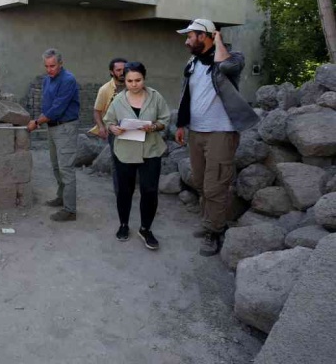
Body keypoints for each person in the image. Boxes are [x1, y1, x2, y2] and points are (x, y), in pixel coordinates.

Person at [174, 19, 259, 256]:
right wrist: (181, 124)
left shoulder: (233, 57)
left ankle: (215, 231)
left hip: (221, 132)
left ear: (205, 36)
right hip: (196, 131)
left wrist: (219, 40)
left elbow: (227, 68)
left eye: (191, 36)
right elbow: (186, 93)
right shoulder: (192, 62)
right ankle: (210, 222)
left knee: (216, 185)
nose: (186, 40)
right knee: (201, 182)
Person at [104, 62, 170, 250]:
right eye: (129, 80)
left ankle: (145, 228)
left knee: (149, 190)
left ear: (144, 78)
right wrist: (112, 128)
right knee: (125, 191)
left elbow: (165, 119)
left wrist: (154, 126)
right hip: (125, 151)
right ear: (124, 80)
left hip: (151, 150)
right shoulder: (118, 100)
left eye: (138, 80)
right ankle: (124, 224)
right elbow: (108, 120)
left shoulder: (155, 97)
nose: (134, 84)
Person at [27, 49, 81, 222]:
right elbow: (47, 104)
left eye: (53, 66)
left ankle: (70, 210)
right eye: (46, 66)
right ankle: (62, 196)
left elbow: (57, 108)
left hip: (65, 128)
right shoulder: (47, 80)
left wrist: (36, 122)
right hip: (53, 127)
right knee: (56, 166)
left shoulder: (68, 80)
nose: (49, 69)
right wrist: (42, 120)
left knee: (66, 169)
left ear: (61, 63)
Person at [89, 57, 127, 140]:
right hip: (113, 129)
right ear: (111, 72)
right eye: (118, 70)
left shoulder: (133, 87)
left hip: (131, 128)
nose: (122, 73)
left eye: (124, 69)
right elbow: (97, 111)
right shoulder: (105, 89)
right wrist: (101, 127)